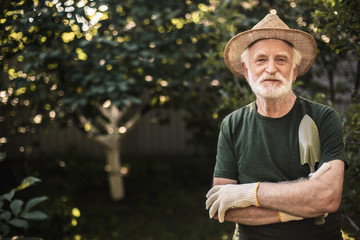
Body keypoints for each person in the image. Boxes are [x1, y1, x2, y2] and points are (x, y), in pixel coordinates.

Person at [205, 13, 347, 240]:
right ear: (246, 69)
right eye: (261, 60)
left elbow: (327, 198)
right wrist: (300, 207)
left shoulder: (322, 118)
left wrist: (249, 193)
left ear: (294, 70)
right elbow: (222, 206)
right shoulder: (232, 124)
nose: (271, 69)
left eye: (281, 60)